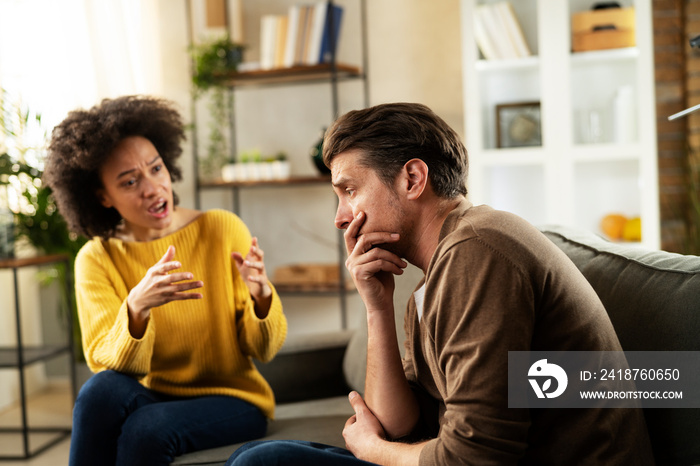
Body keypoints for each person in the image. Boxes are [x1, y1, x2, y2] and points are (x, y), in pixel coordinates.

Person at [225, 102, 654, 465]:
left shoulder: (479, 249)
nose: (339, 218)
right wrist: (377, 307)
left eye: (350, 190)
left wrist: (374, 450)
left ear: (413, 179)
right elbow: (400, 424)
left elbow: (475, 457)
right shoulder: (434, 278)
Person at [43, 95, 287, 466]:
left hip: (234, 399)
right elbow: (105, 362)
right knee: (100, 391)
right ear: (103, 197)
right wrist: (137, 309)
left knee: (146, 429)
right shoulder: (97, 258)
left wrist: (261, 296)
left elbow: (264, 349)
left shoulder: (221, 230)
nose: (153, 188)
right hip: (155, 394)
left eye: (156, 169)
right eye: (129, 182)